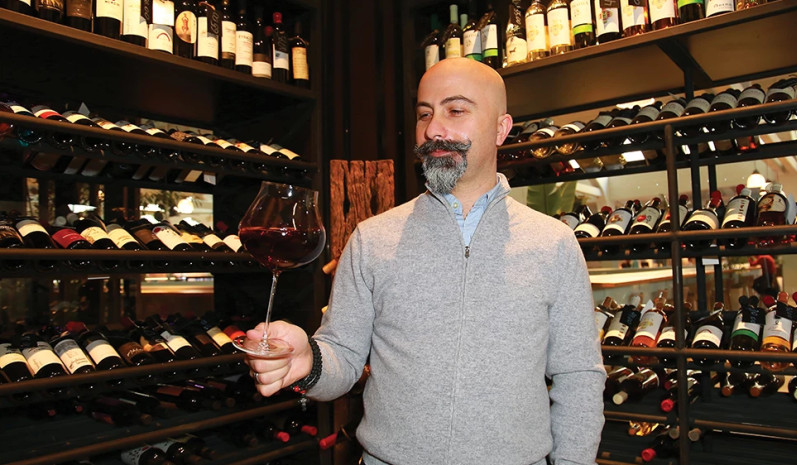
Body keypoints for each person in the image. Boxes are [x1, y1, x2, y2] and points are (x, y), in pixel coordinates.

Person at [245, 58, 606, 465]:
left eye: (456, 110)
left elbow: (579, 376)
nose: (433, 129)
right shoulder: (372, 238)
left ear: (501, 128)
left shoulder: (553, 244)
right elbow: (342, 356)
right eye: (424, 114)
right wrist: (308, 362)